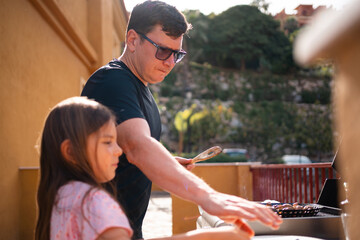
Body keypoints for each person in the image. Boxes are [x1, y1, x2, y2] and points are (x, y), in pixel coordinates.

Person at [81, 1, 282, 239]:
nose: (169, 62)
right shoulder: (113, 82)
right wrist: (209, 197)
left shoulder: (141, 88)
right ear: (133, 40)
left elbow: (128, 155)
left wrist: (167, 162)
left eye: (176, 54)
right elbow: (137, 146)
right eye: (163, 50)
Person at [35, 96, 253, 240]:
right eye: (108, 142)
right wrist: (215, 236)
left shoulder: (61, 196)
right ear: (71, 152)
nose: (118, 151)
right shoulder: (92, 201)